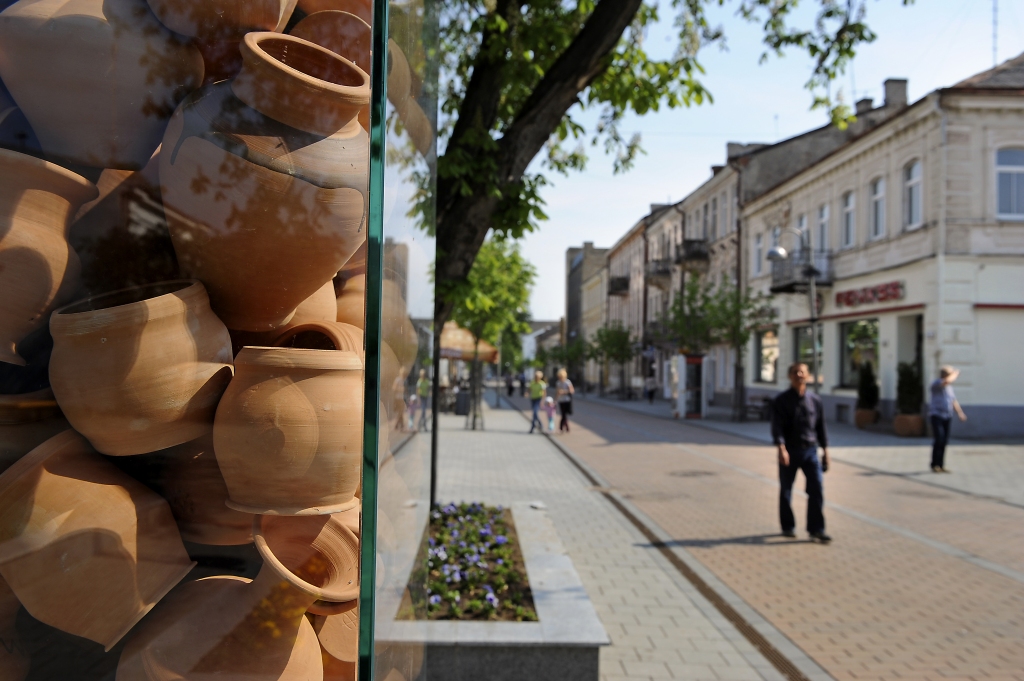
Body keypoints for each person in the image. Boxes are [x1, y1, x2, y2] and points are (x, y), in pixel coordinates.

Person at [771, 362, 831, 543]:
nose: (799, 375)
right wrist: (781, 448)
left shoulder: (815, 400)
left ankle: (816, 529)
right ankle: (788, 527)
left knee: (817, 488)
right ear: (790, 376)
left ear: (808, 376)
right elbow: (777, 427)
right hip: (789, 451)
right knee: (786, 490)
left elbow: (821, 427)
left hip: (811, 452)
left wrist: (826, 451)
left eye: (802, 372)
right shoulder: (781, 400)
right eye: (795, 372)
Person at [928, 365, 966, 473]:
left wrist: (960, 413)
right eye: (950, 373)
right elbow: (947, 381)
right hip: (937, 415)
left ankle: (940, 465)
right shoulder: (936, 383)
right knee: (939, 439)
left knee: (944, 440)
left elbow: (953, 401)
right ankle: (934, 464)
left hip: (947, 416)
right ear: (945, 374)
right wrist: (956, 373)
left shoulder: (949, 387)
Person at [555, 368, 575, 433]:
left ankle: (563, 427)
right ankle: (564, 427)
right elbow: (557, 392)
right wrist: (555, 400)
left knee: (565, 414)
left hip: (567, 400)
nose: (560, 378)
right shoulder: (558, 383)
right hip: (561, 400)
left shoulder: (567, 382)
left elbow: (572, 391)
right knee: (563, 414)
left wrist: (564, 392)